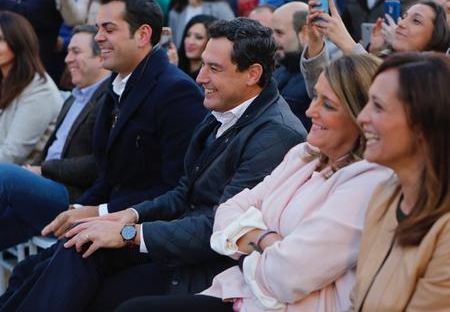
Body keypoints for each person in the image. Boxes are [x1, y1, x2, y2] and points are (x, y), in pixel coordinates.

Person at [0, 18, 307, 311]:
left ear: (252, 74)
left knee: (93, 284)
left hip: (208, 268)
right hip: (175, 246)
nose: (200, 77)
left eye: (214, 68)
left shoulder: (275, 134)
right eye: (202, 65)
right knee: (76, 247)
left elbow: (224, 226)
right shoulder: (224, 110)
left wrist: (131, 234)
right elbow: (182, 193)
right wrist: (125, 217)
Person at [116, 53, 393, 312]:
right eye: (316, 97)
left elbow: (289, 275)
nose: (310, 111)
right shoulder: (304, 155)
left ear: (363, 117)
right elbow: (228, 210)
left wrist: (251, 239)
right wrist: (270, 242)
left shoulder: (367, 180)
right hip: (239, 290)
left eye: (328, 105)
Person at [351, 52, 450, 311]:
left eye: (378, 106)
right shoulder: (386, 195)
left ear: (423, 124)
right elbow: (357, 298)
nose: (362, 117)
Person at [0, 25, 110, 250]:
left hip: (73, 195)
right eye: (68, 52)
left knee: (4, 174)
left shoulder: (110, 100)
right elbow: (51, 148)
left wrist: (43, 169)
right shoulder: (73, 99)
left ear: (101, 58)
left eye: (76, 52)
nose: (68, 59)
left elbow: (99, 163)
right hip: (44, 188)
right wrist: (37, 168)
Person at [0, 11, 62, 165]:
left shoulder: (40, 90)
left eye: (0, 39)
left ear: (18, 42)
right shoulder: (5, 79)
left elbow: (12, 155)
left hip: (21, 177)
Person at [306, 0, 450, 61]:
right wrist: (315, 41)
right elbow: (320, 91)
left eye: (416, 21)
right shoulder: (386, 58)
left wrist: (347, 43)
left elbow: (378, 84)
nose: (400, 23)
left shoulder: (432, 78)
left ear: (436, 36)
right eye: (404, 16)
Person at [270, 2, 311, 129]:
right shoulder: (277, 73)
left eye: (279, 33)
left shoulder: (320, 80)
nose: (272, 40)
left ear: (305, 33)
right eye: (271, 33)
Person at [175, 14, 216, 80]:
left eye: (198, 37)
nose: (190, 42)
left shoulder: (212, 78)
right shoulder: (174, 64)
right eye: (188, 35)